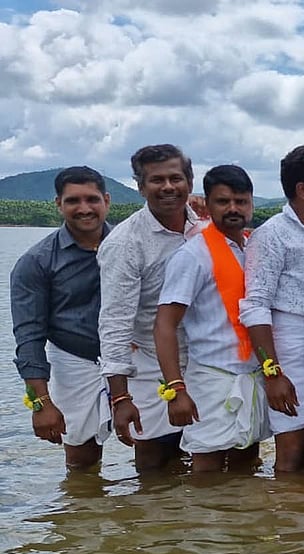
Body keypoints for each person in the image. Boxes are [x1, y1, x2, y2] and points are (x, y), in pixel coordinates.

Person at [153, 165, 271, 472]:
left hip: (253, 377)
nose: (233, 209)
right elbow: (165, 324)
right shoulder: (193, 255)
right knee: (206, 470)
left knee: (248, 464)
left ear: (251, 203)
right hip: (211, 380)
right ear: (208, 204)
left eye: (241, 201)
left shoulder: (254, 248)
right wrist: (176, 390)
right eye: (223, 201)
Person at [97, 144, 203, 469]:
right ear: (141, 187)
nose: (168, 187)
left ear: (190, 182)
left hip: (205, 359)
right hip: (150, 365)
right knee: (155, 460)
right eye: (157, 180)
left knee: (209, 459)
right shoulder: (125, 243)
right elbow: (115, 322)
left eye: (176, 178)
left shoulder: (203, 226)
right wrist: (120, 397)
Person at [239, 145, 304, 472]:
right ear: (303, 190)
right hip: (290, 350)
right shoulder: (271, 236)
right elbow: (256, 305)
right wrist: (273, 373)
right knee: (291, 450)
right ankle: (286, 504)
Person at [10, 167, 113, 470]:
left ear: (106, 200)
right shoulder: (36, 262)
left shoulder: (127, 244)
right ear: (58, 204)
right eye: (73, 201)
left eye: (92, 199)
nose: (84, 208)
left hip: (134, 353)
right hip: (75, 358)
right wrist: (41, 403)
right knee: (82, 460)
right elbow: (29, 335)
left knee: (156, 448)